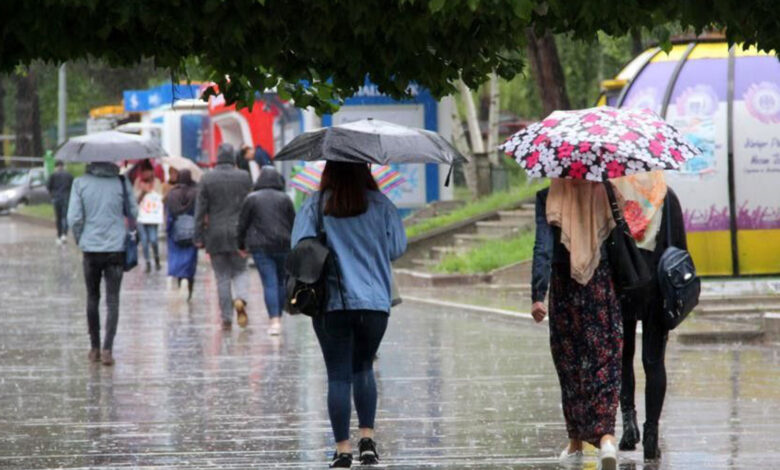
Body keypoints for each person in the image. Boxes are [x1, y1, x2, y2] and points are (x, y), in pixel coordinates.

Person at [291, 161, 407, 469]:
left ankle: (342, 450)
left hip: (332, 303)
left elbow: (299, 248)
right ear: (364, 170)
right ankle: (367, 441)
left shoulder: (315, 205)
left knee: (338, 375)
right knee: (364, 368)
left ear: (328, 171)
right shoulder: (382, 203)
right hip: (374, 303)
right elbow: (397, 247)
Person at [530, 179, 621, 470]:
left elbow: (542, 247)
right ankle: (606, 437)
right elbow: (621, 240)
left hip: (564, 288)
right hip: (601, 285)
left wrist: (537, 294)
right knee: (604, 359)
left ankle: (576, 441)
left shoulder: (548, 196)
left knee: (569, 363)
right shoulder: (605, 192)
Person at [612, 172, 686, 461]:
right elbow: (679, 249)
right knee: (654, 361)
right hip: (657, 288)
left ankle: (629, 426)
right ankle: (651, 434)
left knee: (623, 357)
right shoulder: (667, 196)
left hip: (623, 285)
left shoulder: (615, 196)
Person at [67, 161, 137, 366]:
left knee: (92, 297)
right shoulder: (121, 183)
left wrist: (82, 239)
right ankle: (108, 349)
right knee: (113, 300)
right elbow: (133, 211)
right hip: (116, 249)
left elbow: (74, 218)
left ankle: (94, 347)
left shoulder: (80, 183)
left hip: (91, 249)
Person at [194, 143, 253, 329]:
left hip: (215, 234)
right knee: (241, 270)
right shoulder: (244, 177)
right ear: (234, 158)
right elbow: (249, 206)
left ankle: (226, 318)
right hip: (239, 234)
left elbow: (200, 210)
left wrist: (198, 237)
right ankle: (241, 299)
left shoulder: (207, 178)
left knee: (222, 277)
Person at [237, 166, 296, 335]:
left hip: (260, 246)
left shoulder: (252, 198)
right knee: (281, 282)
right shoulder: (285, 198)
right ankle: (279, 317)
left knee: (269, 283)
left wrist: (241, 245)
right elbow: (293, 222)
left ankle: (274, 320)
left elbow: (242, 224)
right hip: (284, 244)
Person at [166, 169, 199, 301]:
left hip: (176, 232)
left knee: (177, 258)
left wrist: (168, 229)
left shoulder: (172, 194)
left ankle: (179, 279)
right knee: (190, 260)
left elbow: (169, 215)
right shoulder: (195, 193)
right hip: (192, 231)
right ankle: (188, 281)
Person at [134, 160, 164, 272]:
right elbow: (135, 199)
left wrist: (153, 191)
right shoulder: (138, 182)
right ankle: (147, 262)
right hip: (142, 216)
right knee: (144, 240)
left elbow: (160, 197)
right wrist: (143, 192)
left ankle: (156, 258)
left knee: (153, 239)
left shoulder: (156, 182)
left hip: (152, 217)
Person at [47, 161, 74, 243]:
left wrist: (52, 195)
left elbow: (48, 186)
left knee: (58, 217)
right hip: (66, 198)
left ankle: (59, 235)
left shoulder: (53, 175)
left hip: (56, 198)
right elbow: (73, 186)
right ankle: (64, 235)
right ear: (63, 166)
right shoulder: (69, 175)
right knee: (65, 217)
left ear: (56, 167)